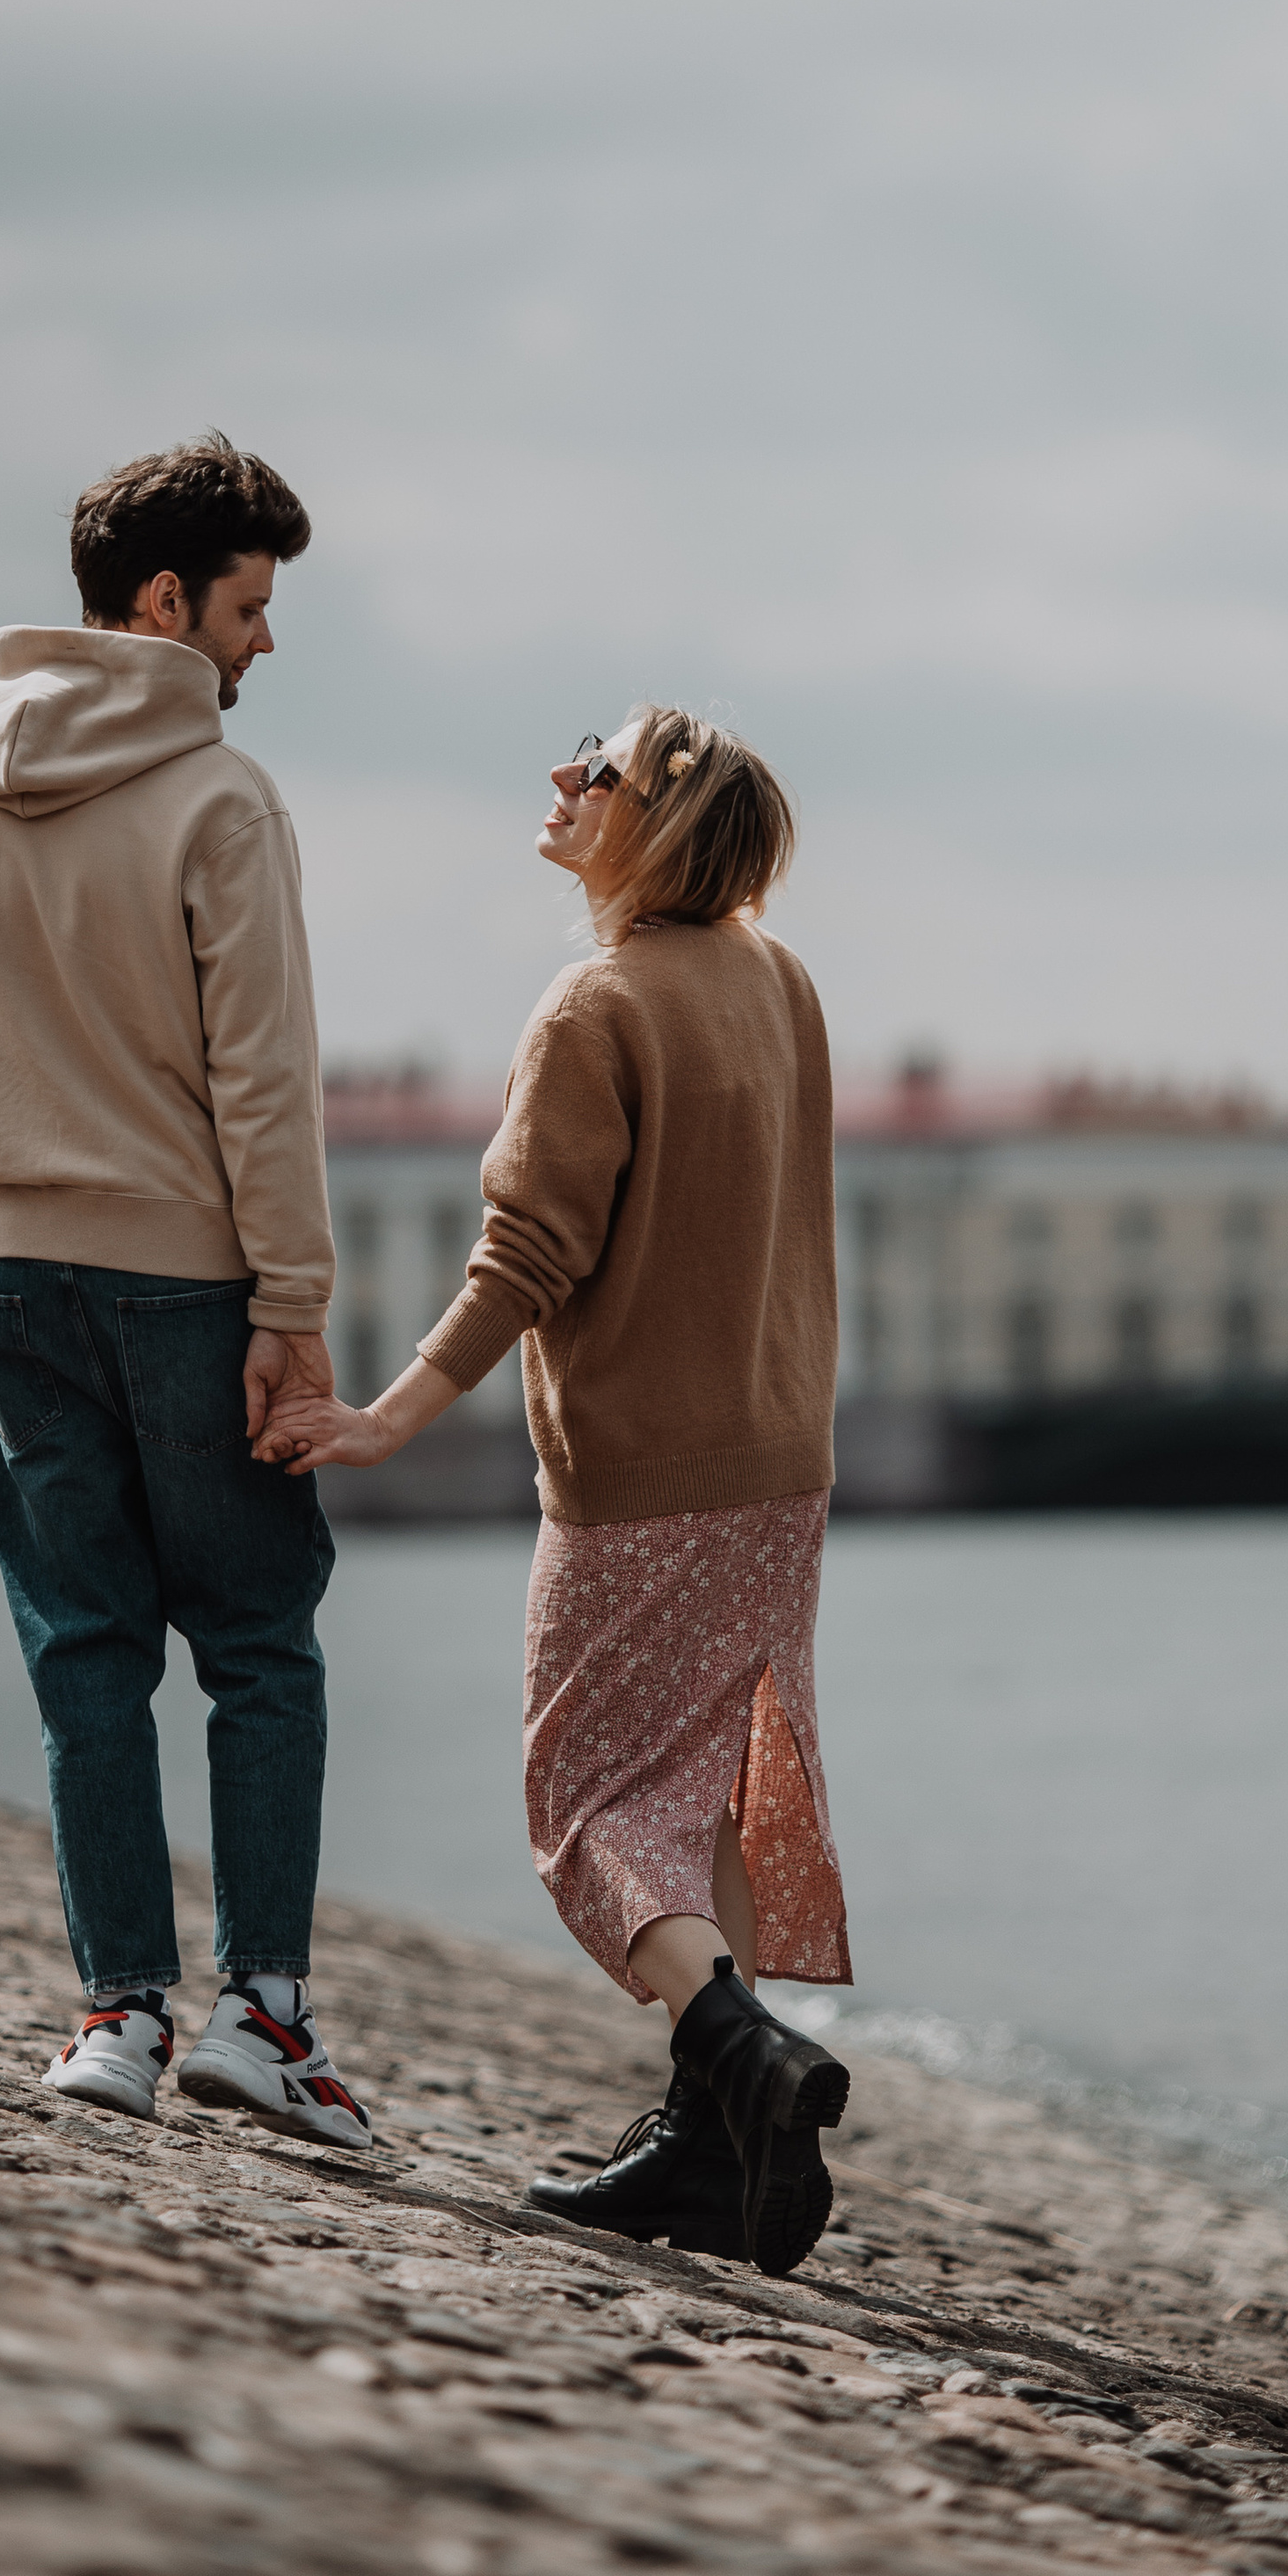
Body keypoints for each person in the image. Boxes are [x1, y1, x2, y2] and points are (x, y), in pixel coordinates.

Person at [259, 707, 851, 2274]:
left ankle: (739, 2050)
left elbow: (528, 1255)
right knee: (720, 1784)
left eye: (588, 769)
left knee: (585, 1799)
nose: (557, 781)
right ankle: (713, 2151)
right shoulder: (781, 983)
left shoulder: (595, 1004)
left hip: (642, 1474)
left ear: (644, 822)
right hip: (783, 1462)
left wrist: (388, 1416)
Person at [0, 433, 370, 2150]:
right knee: (257, 1643)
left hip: (17, 1278)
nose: (262, 645)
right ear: (164, 602)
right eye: (249, 607)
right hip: (192, 1283)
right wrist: (290, 1309)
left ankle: (113, 2020)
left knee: (82, 1651)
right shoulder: (219, 800)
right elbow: (265, 1084)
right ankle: (266, 2020)